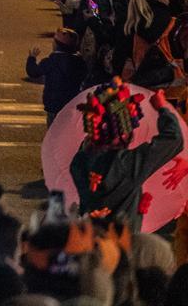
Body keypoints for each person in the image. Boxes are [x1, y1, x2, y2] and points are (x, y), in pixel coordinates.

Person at [70, 79, 185, 225]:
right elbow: (173, 138)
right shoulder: (129, 164)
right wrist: (162, 108)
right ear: (124, 132)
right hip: (121, 241)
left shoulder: (79, 161)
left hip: (88, 235)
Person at [26, 28, 88, 125]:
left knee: (53, 131)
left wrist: (31, 58)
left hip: (53, 105)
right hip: (71, 104)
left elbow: (33, 72)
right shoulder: (79, 62)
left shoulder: (51, 62)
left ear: (56, 44)